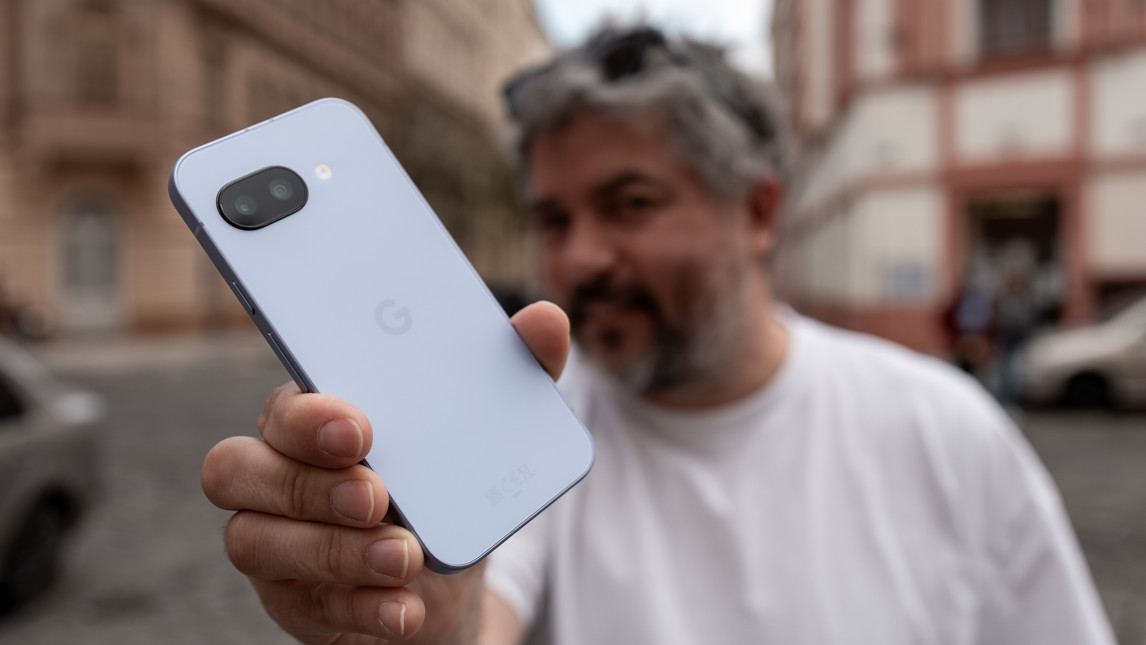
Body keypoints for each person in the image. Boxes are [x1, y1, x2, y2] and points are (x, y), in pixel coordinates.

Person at [200, 25, 1115, 645]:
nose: (580, 256)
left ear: (758, 211)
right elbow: (483, 611)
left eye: (630, 203)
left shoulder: (947, 429)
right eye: (553, 219)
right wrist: (427, 619)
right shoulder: (531, 432)